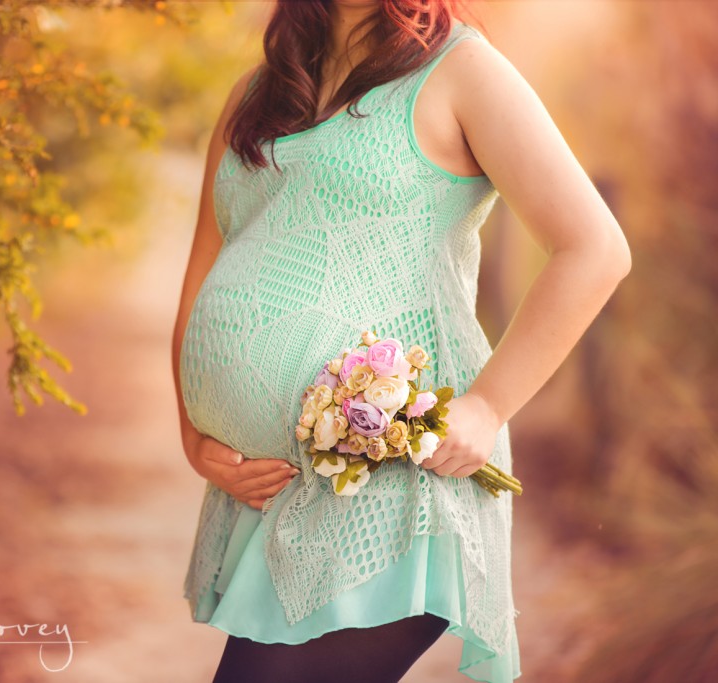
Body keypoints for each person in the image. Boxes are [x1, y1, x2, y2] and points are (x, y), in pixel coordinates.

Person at [171, 1, 632, 681]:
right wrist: (194, 436)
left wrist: (487, 405)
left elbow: (594, 249)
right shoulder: (256, 96)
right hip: (275, 493)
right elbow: (203, 276)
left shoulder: (462, 70)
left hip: (393, 483)